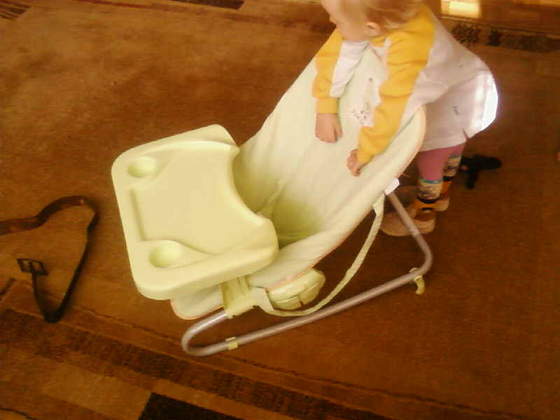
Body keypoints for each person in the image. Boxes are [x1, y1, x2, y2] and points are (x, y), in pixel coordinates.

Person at [313, 0, 498, 236]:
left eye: (337, 20)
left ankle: (424, 214)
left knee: (431, 160)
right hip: (461, 80)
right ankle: (441, 195)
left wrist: (366, 151)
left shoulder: (411, 55)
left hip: (454, 102)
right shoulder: (392, 13)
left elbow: (393, 109)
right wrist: (326, 105)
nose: (332, 22)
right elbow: (338, 51)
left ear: (371, 28)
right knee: (451, 149)